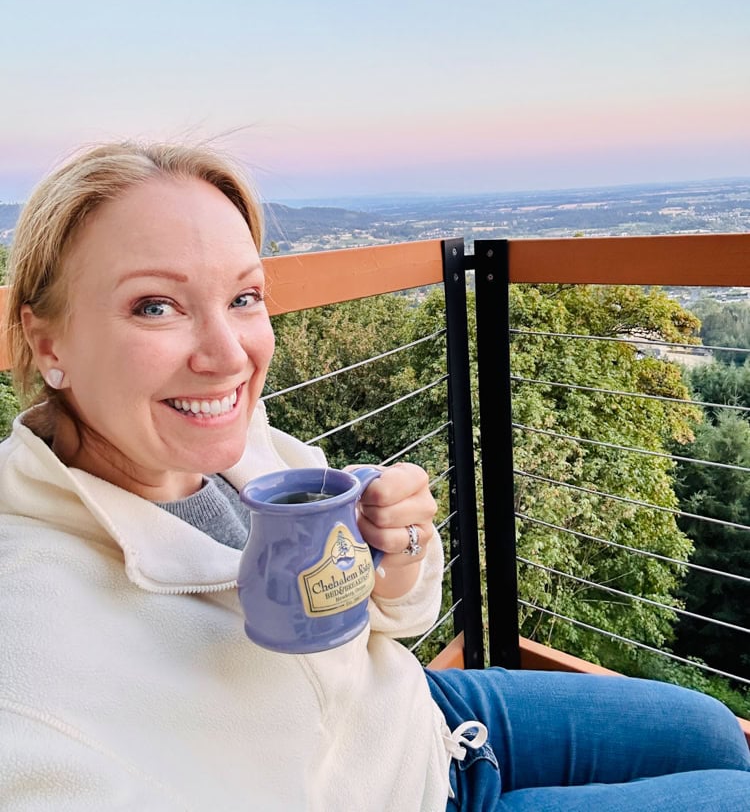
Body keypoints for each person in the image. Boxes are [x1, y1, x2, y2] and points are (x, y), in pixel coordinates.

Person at [0, 142, 747, 812]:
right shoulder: (30, 616)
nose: (228, 355)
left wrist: (399, 557)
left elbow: (393, 617)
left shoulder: (245, 449)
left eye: (244, 298)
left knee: (713, 730)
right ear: (48, 339)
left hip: (428, 718)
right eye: (155, 305)